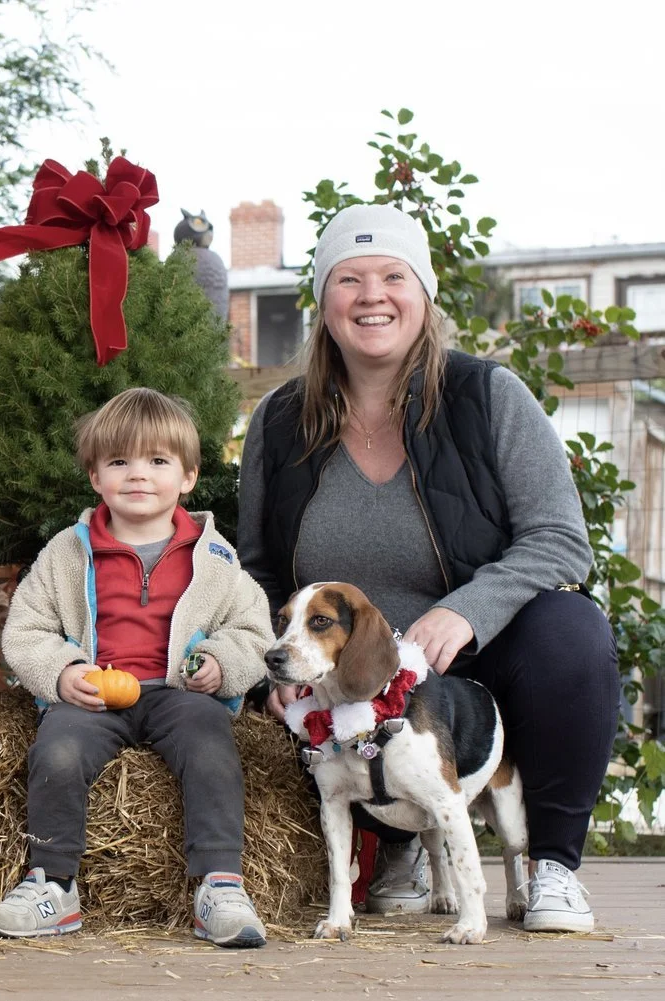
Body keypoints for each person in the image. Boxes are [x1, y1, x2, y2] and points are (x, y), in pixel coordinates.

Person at [238, 203, 617, 934]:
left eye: (392, 275)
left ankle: (553, 867)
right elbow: (253, 569)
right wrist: (271, 677)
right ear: (324, 301)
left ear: (424, 294)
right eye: (349, 278)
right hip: (340, 671)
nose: (372, 295)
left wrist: (467, 607)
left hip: (474, 659)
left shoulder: (489, 397)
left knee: (572, 631)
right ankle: (400, 848)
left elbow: (562, 539)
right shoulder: (280, 420)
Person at [0, 388, 272, 945]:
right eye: (120, 462)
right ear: (96, 477)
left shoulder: (214, 558)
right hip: (93, 693)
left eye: (158, 462)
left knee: (211, 743)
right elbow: (26, 629)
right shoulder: (66, 554)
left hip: (178, 693)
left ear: (188, 477)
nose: (138, 475)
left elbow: (252, 629)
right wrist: (64, 673)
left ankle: (221, 884)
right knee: (57, 750)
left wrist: (219, 663)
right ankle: (51, 884)